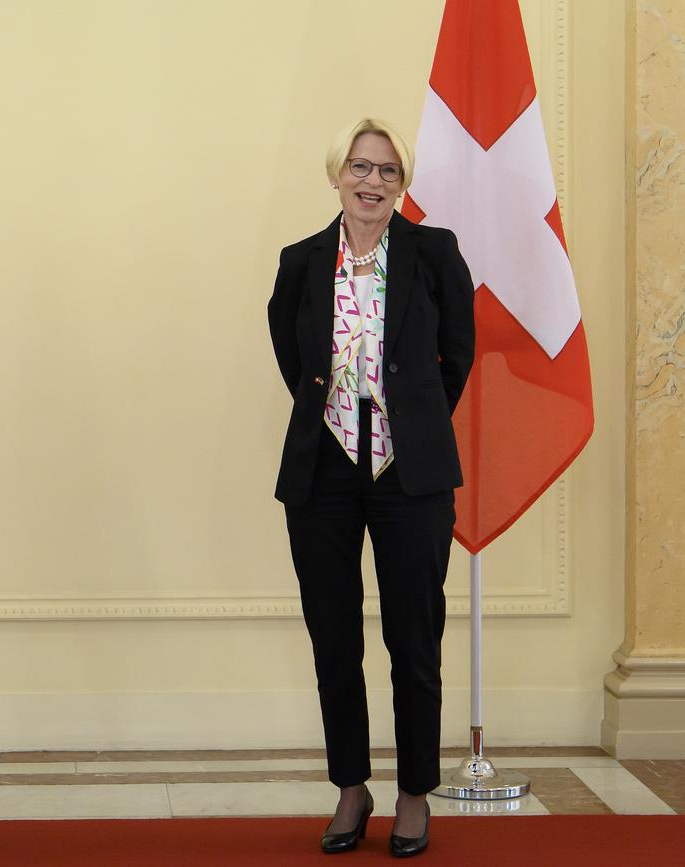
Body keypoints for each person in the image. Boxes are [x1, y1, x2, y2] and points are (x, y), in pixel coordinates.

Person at [266, 118, 475, 858]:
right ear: (337, 174)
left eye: (388, 171)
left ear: (403, 183)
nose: (373, 182)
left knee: (414, 637)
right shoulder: (302, 260)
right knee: (334, 637)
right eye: (360, 167)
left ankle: (415, 791)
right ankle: (351, 786)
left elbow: (456, 355)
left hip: (410, 474)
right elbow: (294, 356)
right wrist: (339, 417)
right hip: (321, 470)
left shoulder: (433, 252)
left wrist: (410, 422)